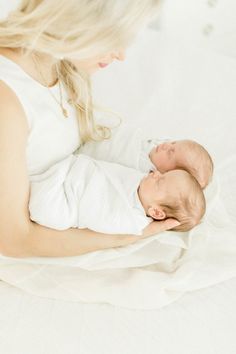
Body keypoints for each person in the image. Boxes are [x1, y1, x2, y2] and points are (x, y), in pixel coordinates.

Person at [0, 0, 180, 258]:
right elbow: (14, 241)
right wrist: (129, 234)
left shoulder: (58, 64)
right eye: (112, 39)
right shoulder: (6, 99)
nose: (121, 55)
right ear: (79, 23)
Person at [29, 153, 205, 235]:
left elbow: (98, 216)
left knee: (53, 216)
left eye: (160, 181)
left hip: (74, 201)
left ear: (156, 212)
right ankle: (54, 173)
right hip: (78, 171)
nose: (156, 174)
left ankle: (45, 181)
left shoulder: (132, 221)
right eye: (163, 174)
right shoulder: (142, 182)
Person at [79, 130, 214, 189]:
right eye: (173, 143)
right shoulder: (157, 146)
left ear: (168, 174)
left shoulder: (144, 175)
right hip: (101, 132)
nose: (166, 145)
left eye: (170, 152)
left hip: (89, 151)